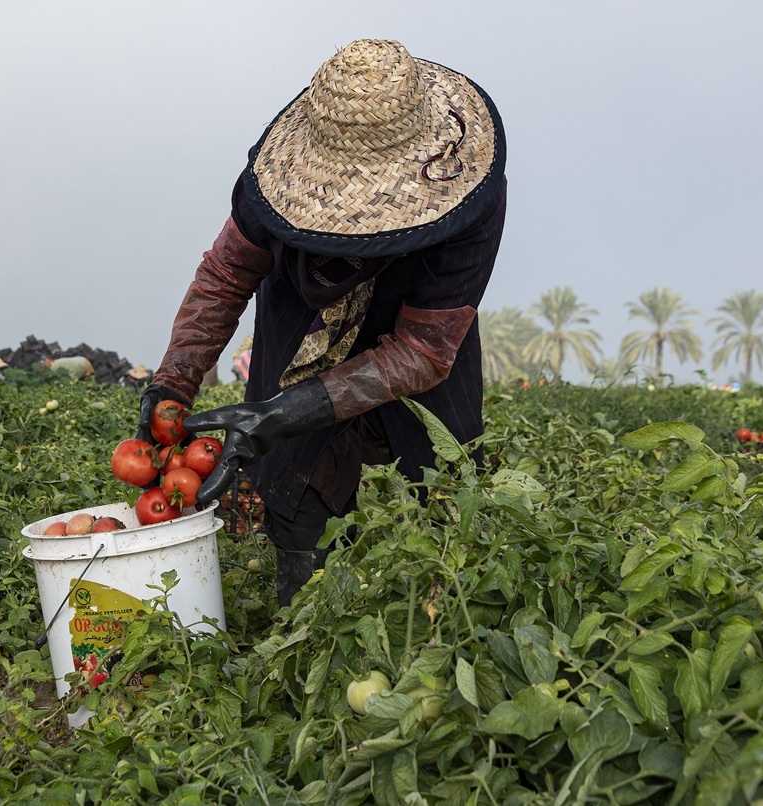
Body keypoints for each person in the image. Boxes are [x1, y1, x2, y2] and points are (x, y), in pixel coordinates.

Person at [140, 39, 507, 604]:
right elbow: (226, 275)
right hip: (302, 320)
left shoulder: (463, 189)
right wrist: (174, 379)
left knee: (443, 495)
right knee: (295, 482)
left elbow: (423, 352)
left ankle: (433, 616)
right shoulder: (272, 189)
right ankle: (301, 635)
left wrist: (285, 412)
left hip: (414, 332)